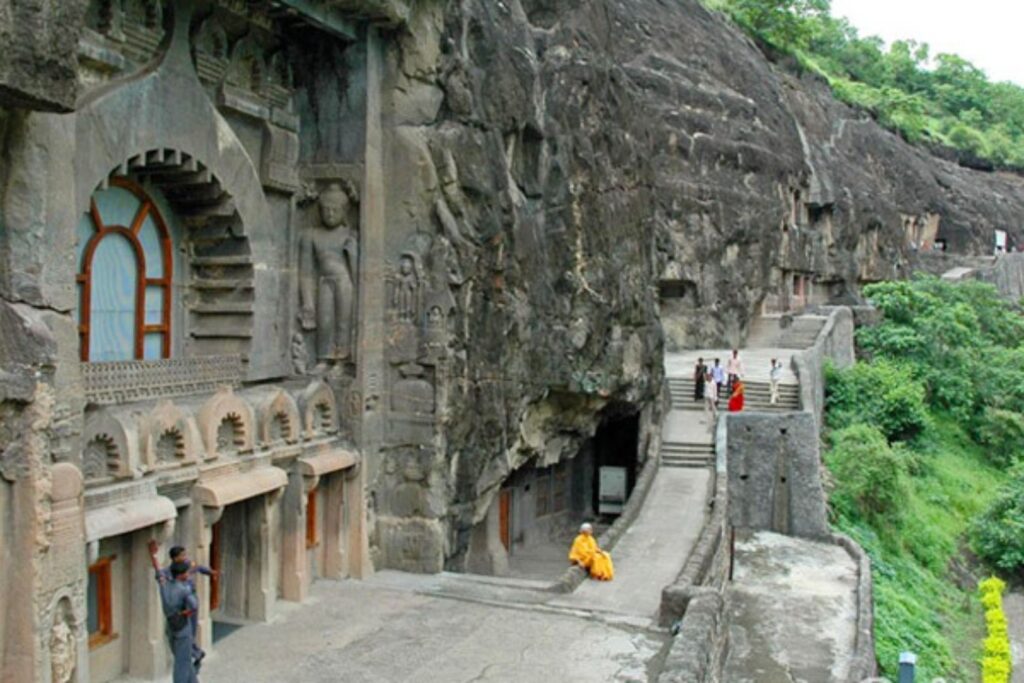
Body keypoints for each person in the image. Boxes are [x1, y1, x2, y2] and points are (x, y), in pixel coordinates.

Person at [150, 542, 216, 670]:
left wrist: (211, 572)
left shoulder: (188, 565)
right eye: (182, 555)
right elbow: (159, 572)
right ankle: (195, 654)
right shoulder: (169, 573)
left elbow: (199, 568)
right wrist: (154, 556)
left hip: (190, 604)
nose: (185, 557)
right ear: (175, 558)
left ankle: (194, 654)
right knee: (180, 633)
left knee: (190, 631)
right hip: (179, 608)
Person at [159, 562, 200, 683]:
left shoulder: (164, 585)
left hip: (170, 626)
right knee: (182, 663)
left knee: (183, 657)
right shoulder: (183, 590)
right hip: (183, 628)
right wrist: (185, 613)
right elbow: (194, 606)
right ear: (181, 575)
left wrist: (154, 556)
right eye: (186, 572)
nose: (188, 574)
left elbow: (158, 574)